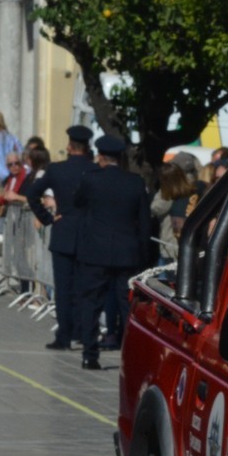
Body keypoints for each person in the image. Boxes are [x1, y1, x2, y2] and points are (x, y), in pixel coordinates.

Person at [72, 134, 152, 370]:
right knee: (127, 306)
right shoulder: (135, 182)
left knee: (91, 303)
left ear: (101, 157)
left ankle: (90, 354)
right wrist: (144, 255)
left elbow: (78, 202)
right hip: (127, 253)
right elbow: (144, 222)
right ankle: (131, 356)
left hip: (95, 252)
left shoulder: (91, 179)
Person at [28, 125, 96, 350]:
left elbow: (32, 193)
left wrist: (47, 218)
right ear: (87, 147)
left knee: (63, 288)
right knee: (84, 287)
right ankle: (83, 332)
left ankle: (64, 335)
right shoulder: (94, 170)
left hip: (63, 230)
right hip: (87, 233)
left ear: (69, 146)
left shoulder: (57, 170)